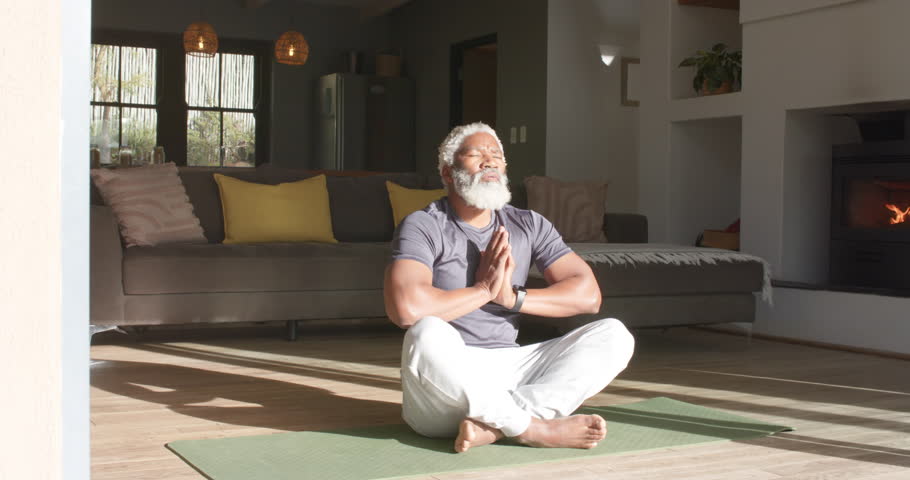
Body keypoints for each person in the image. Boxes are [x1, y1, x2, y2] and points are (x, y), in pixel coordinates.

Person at [383, 122, 635, 453]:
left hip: (512, 368)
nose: (490, 161)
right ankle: (530, 428)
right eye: (476, 155)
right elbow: (407, 309)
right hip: (447, 386)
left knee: (614, 335)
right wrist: (484, 291)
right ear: (447, 173)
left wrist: (512, 299)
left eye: (497, 156)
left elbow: (588, 295)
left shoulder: (528, 223)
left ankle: (497, 426)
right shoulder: (425, 224)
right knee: (425, 334)